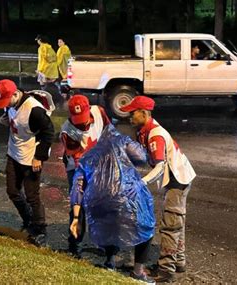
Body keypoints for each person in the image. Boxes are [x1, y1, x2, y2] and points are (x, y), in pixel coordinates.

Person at [120, 96, 196, 283]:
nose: (129, 116)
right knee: (176, 222)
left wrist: (141, 183)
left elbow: (159, 167)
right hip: (178, 177)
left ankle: (166, 271)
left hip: (178, 180)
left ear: (144, 113)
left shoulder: (155, 134)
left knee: (171, 224)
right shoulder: (144, 131)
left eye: (133, 113)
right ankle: (178, 263)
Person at [69, 124, 155, 284]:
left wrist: (76, 217)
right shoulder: (122, 142)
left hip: (99, 205)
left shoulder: (88, 157)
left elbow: (78, 187)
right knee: (145, 227)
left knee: (109, 229)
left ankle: (110, 262)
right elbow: (142, 158)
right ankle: (138, 272)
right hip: (126, 199)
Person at [0, 79, 54, 246]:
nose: (6, 105)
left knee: (32, 195)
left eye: (6, 101)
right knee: (12, 191)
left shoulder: (34, 110)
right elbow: (13, 118)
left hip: (30, 157)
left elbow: (48, 133)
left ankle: (40, 229)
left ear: (15, 94)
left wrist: (39, 157)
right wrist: (5, 118)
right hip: (13, 153)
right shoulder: (11, 104)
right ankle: (28, 220)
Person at [60, 94, 110, 257]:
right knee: (78, 205)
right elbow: (80, 169)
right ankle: (74, 243)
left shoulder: (99, 112)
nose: (83, 125)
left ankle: (105, 243)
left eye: (84, 120)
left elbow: (109, 133)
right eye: (78, 122)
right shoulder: (67, 132)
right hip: (77, 168)